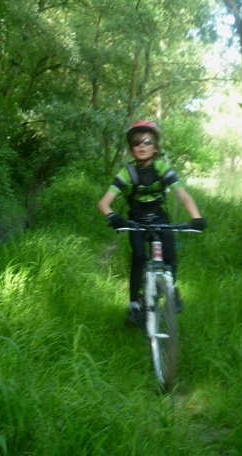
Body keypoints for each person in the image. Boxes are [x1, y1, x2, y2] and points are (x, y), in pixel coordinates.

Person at [97, 120, 206, 327]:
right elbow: (103, 203)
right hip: (136, 218)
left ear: (155, 147)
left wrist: (196, 217)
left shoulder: (162, 167)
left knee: (170, 254)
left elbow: (182, 195)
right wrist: (113, 217)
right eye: (136, 143)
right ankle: (134, 305)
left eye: (147, 141)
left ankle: (170, 288)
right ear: (132, 150)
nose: (141, 146)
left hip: (159, 216)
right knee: (138, 256)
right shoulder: (126, 172)